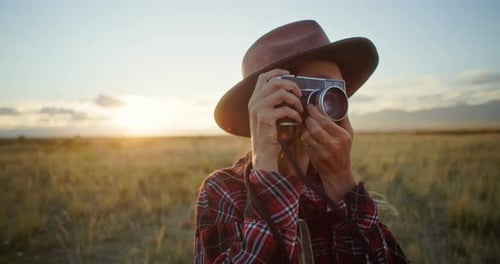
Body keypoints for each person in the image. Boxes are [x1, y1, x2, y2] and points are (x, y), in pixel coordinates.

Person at [194, 20, 409, 263]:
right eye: (299, 91)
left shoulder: (337, 186)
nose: (316, 105)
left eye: (331, 91)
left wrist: (341, 181)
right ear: (257, 108)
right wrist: (267, 163)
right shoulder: (224, 190)